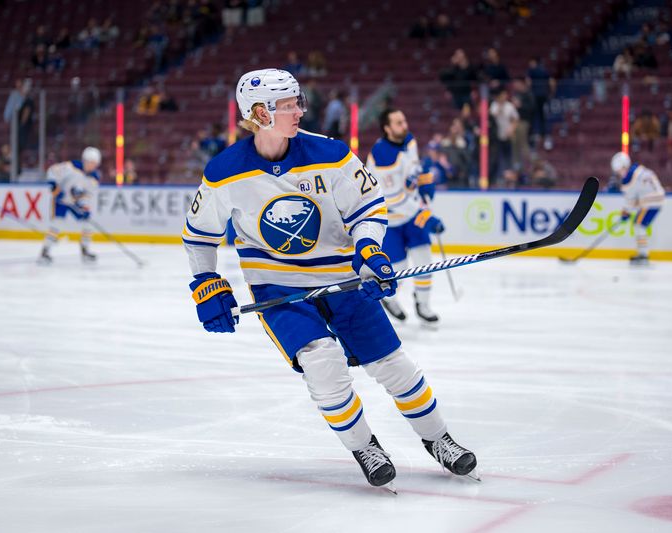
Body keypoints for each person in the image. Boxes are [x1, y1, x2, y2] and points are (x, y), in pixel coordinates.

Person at [182, 69, 477, 491]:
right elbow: (199, 235)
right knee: (322, 363)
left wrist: (371, 251)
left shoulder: (332, 154)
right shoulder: (224, 171)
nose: (299, 111)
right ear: (259, 113)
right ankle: (365, 447)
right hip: (278, 288)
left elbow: (369, 207)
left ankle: (439, 440)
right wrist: (206, 283)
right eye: (288, 106)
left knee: (392, 364)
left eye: (297, 102)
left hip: (341, 278)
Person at [366, 109, 444, 325]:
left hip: (411, 215)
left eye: (404, 120)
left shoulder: (408, 140)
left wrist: (424, 180)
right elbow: (394, 199)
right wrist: (424, 216)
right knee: (398, 268)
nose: (405, 125)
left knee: (424, 259)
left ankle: (423, 304)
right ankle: (390, 299)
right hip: (390, 220)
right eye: (399, 122)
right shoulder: (383, 156)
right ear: (387, 128)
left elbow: (413, 169)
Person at [38, 147, 102, 264]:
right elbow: (52, 171)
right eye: (90, 162)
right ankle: (45, 252)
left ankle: (85, 251)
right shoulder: (71, 167)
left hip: (74, 202)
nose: (92, 165)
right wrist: (54, 186)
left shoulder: (94, 178)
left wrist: (84, 206)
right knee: (57, 225)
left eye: (95, 163)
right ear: (85, 160)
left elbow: (87, 195)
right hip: (61, 201)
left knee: (87, 224)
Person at [610, 152, 665, 265]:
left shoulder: (629, 180)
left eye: (619, 171)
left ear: (624, 167)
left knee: (639, 224)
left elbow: (630, 201)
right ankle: (642, 254)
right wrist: (628, 210)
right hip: (655, 199)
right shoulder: (639, 169)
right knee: (639, 224)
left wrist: (626, 212)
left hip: (651, 201)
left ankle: (643, 255)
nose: (619, 174)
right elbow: (637, 196)